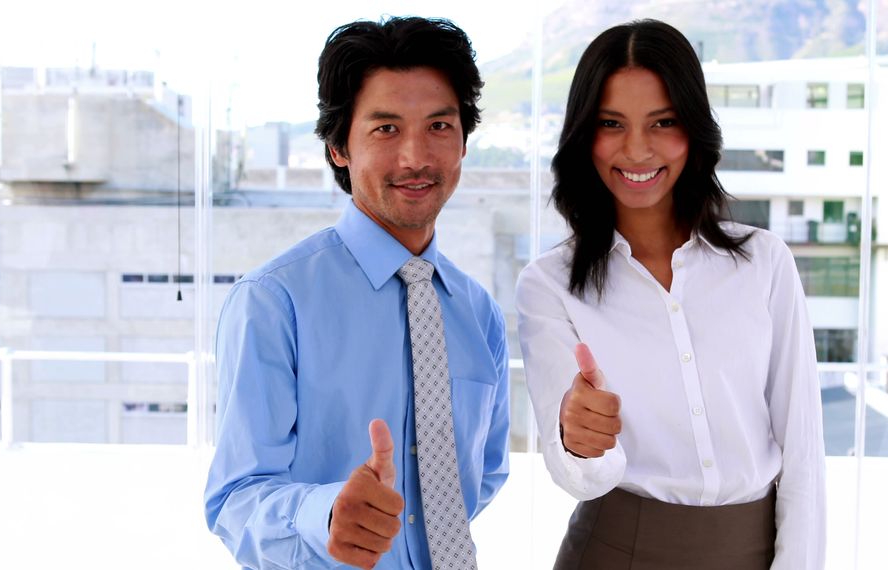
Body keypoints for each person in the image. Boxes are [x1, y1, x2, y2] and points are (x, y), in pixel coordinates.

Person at [516, 19, 825, 570]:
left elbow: (803, 451)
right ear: (583, 133)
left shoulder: (764, 263)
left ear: (695, 130)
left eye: (663, 122)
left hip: (755, 548)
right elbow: (577, 476)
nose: (637, 150)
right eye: (611, 123)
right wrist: (582, 439)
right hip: (614, 551)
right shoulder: (548, 286)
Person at [204, 17, 510, 570]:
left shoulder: (477, 311)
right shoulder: (274, 301)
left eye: (439, 125)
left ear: (464, 139)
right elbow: (234, 501)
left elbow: (484, 473)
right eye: (386, 129)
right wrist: (326, 517)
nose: (415, 157)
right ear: (338, 147)